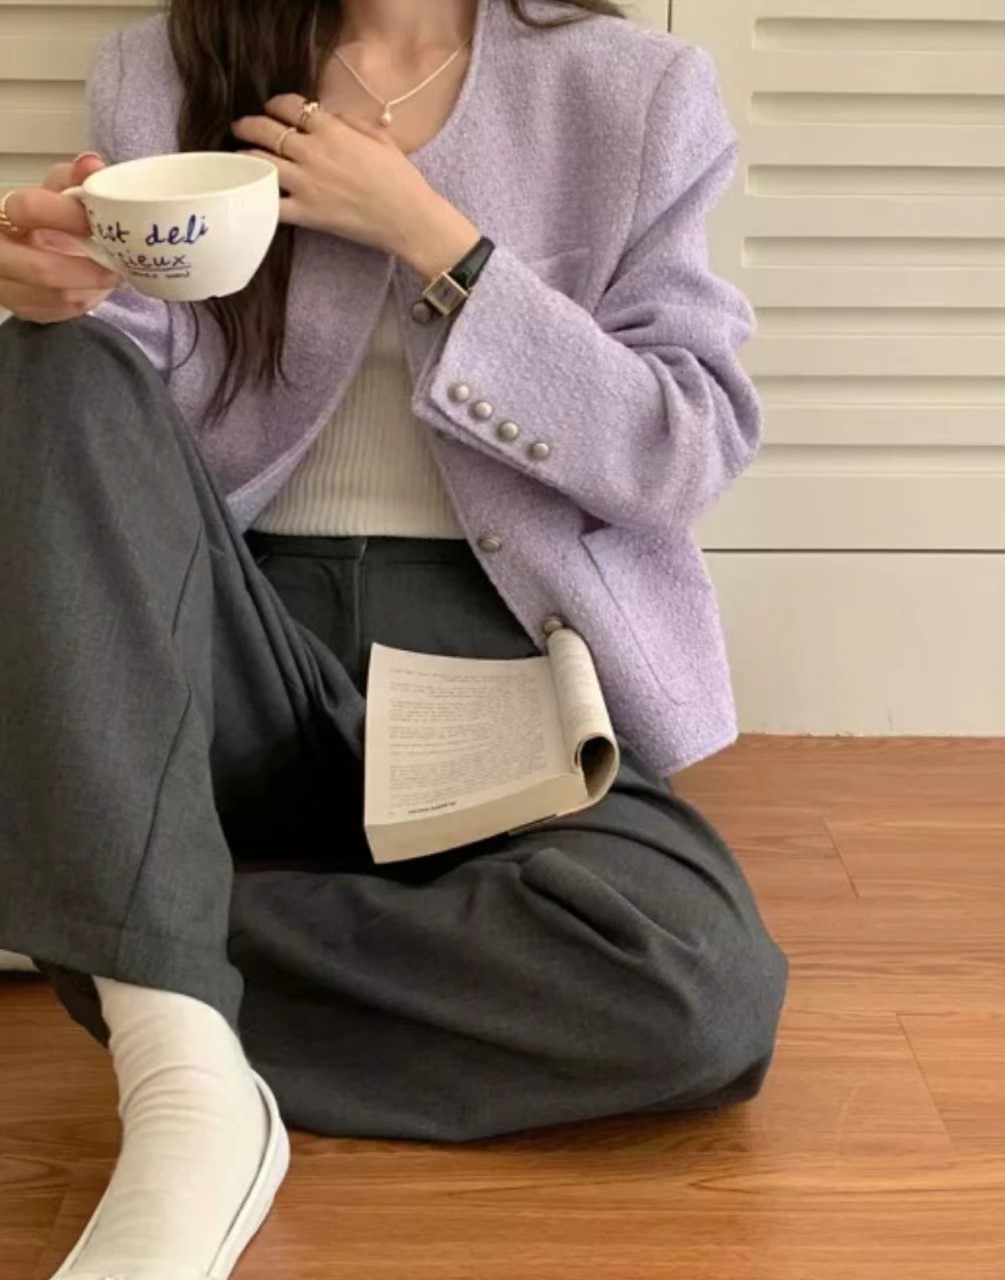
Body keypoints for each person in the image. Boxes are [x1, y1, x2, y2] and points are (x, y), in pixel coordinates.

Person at [0, 0, 788, 1277]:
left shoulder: (633, 93)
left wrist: (440, 243)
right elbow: (127, 408)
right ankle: (189, 1093)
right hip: (232, 632)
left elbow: (681, 445)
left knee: (698, 980)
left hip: (501, 652)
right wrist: (66, 291)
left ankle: (124, 927)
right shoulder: (167, 66)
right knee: (46, 368)